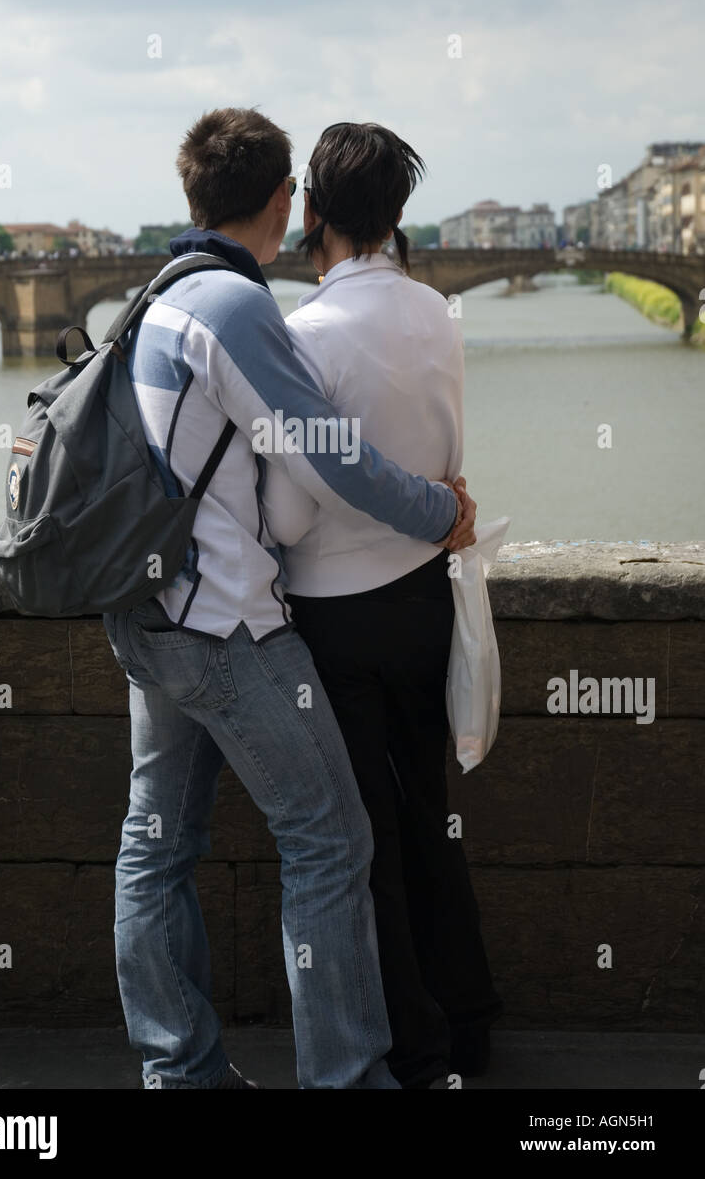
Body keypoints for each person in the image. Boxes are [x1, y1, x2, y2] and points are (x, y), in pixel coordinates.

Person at [101, 107, 464, 1090]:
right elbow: (329, 454)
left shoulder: (161, 294)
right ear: (283, 201)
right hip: (222, 625)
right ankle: (346, 1077)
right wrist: (441, 511)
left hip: (144, 613)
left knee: (155, 844)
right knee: (331, 839)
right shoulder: (233, 304)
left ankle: (181, 1071)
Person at [262, 122, 503, 1090]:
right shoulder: (439, 315)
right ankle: (469, 1013)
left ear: (312, 210)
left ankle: (415, 1047)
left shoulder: (302, 336)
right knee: (429, 816)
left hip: (336, 620)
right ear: (396, 217)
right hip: (425, 601)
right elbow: (447, 463)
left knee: (364, 842)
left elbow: (284, 512)